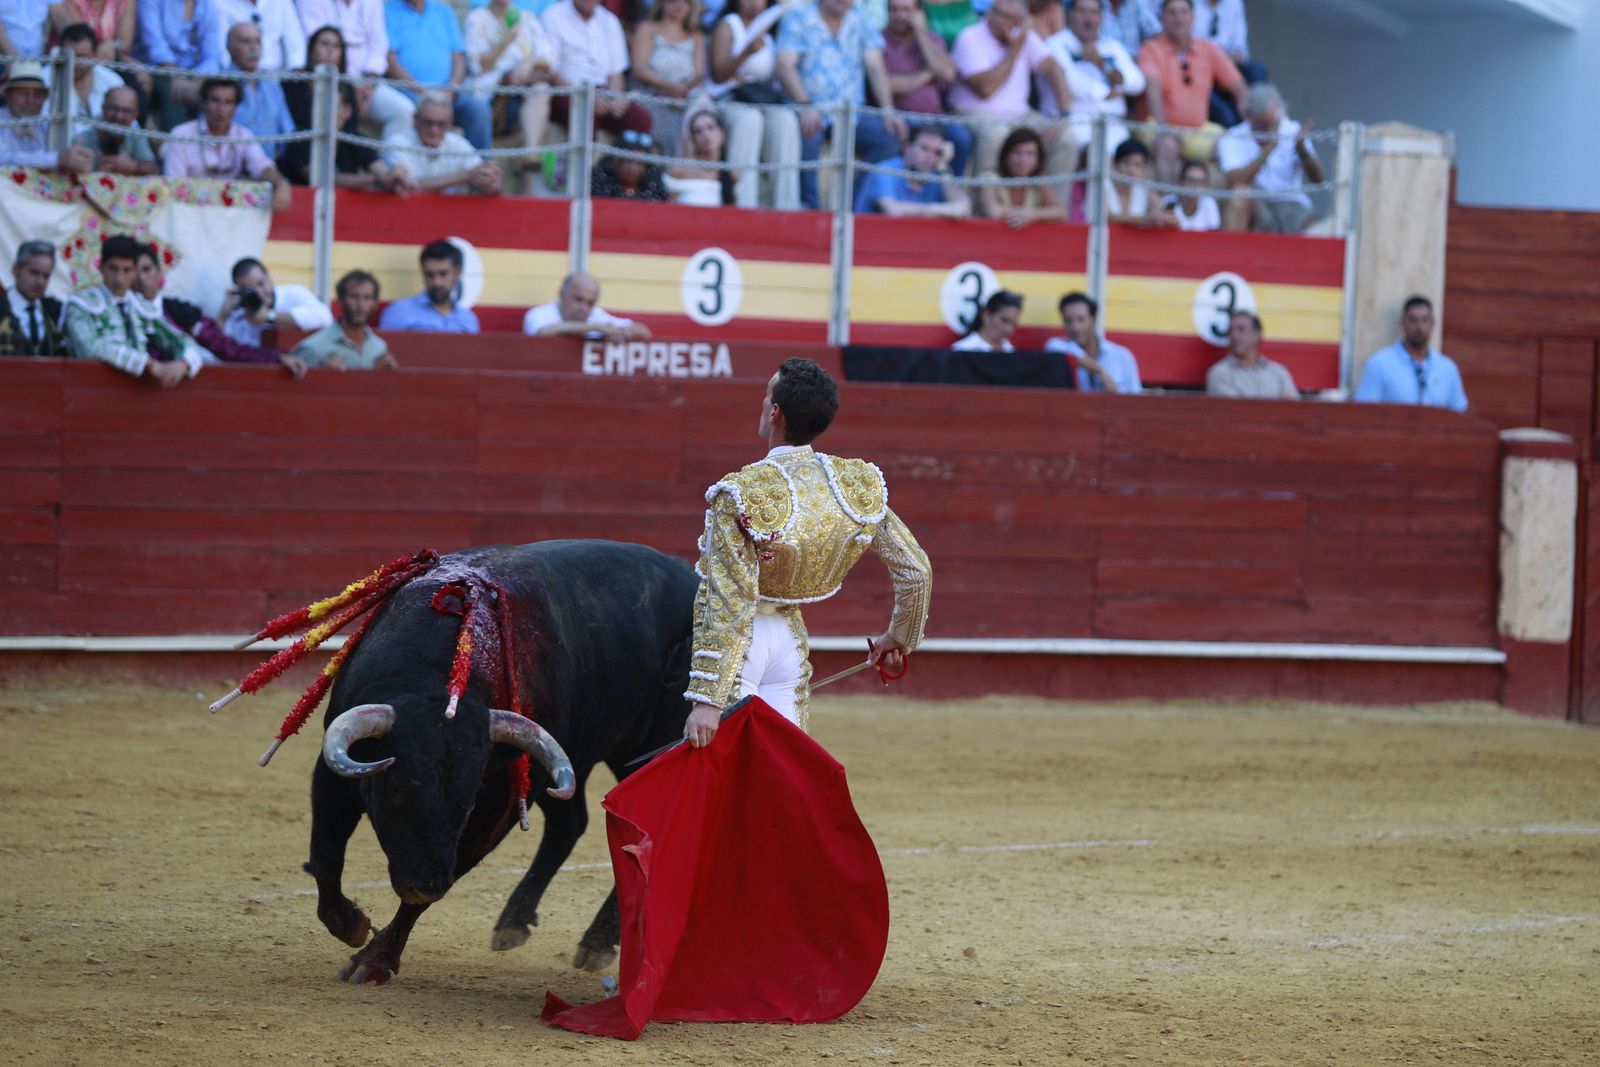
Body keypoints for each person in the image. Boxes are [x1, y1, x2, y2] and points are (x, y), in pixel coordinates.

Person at [682, 356, 931, 741]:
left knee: (731, 771)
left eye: (767, 394)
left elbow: (730, 599)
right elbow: (915, 570)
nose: (763, 401)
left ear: (775, 411)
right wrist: (900, 637)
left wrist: (707, 699)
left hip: (742, 652)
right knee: (783, 767)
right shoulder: (854, 484)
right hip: (790, 645)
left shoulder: (741, 491)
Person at [774, 0, 909, 211]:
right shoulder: (798, 16)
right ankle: (811, 210)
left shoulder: (861, 18)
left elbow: (875, 67)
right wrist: (805, 105)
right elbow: (785, 66)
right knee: (807, 132)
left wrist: (888, 110)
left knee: (890, 136)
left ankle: (856, 206)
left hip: (852, 114)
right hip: (811, 109)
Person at [133, 244, 308, 378]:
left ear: (159, 273)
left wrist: (276, 357)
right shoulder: (121, 312)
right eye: (133, 271)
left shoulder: (180, 312)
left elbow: (229, 350)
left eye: (147, 269)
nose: (141, 278)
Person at [946, 0, 1074, 181]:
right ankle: (984, 196)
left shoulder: (1024, 37)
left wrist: (1063, 114)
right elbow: (986, 89)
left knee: (1065, 137)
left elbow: (1054, 69)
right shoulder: (970, 37)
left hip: (1020, 116)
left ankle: (1052, 198)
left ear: (1020, 21)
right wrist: (1014, 50)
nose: (999, 20)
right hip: (972, 113)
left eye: (1007, 17)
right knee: (996, 133)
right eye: (996, 13)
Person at [63, 235, 202, 388]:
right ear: (101, 267)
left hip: (134, 396)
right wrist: (147, 364)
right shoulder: (81, 304)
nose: (119, 278)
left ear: (135, 271)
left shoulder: (141, 307)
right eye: (113, 268)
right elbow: (88, 347)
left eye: (127, 270)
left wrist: (184, 364)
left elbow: (179, 340)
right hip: (87, 392)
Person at [1136, 0, 1243, 183]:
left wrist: (1250, 126)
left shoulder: (1208, 48)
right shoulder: (1150, 49)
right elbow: (1153, 88)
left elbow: (1240, 87)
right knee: (1167, 144)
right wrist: (1163, 127)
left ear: (1193, 17)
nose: (1178, 18)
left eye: (1183, 12)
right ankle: (1168, 200)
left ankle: (1219, 201)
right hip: (1154, 124)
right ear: (1161, 19)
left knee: (1233, 145)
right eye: (1172, 12)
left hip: (1198, 129)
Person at [708, 0, 801, 210]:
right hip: (729, 99)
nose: (754, 3)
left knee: (786, 120)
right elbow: (718, 75)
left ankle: (786, 206)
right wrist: (747, 52)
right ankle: (742, 203)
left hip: (759, 99)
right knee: (749, 121)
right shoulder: (728, 25)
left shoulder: (770, 30)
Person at [163, 78, 294, 212]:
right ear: (203, 103)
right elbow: (174, 184)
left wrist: (280, 183)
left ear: (236, 107)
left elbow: (262, 165)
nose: (221, 109)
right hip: (188, 211)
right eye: (215, 101)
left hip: (232, 215)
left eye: (228, 102)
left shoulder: (243, 135)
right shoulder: (181, 135)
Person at [463, 0, 556, 181]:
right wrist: (506, 41)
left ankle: (531, 156)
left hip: (523, 94)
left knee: (541, 89)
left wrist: (529, 64)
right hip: (490, 97)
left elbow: (549, 57)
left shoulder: (527, 18)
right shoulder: (476, 19)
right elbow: (477, 66)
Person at [296, 0, 416, 141]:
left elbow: (379, 47)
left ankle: (389, 155)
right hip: (326, 80)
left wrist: (368, 83)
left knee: (405, 111)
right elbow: (318, 41)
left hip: (365, 81)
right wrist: (348, 90)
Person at [881, 0, 971, 178]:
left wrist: (921, 33)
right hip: (901, 117)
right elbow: (887, 84)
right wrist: (928, 73)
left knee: (961, 138)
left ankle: (950, 190)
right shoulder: (880, 39)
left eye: (906, 10)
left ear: (919, 13)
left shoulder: (932, 38)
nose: (900, 16)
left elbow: (947, 73)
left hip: (936, 118)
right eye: (894, 10)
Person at [541, 0, 654, 142]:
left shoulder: (610, 20)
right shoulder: (553, 15)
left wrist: (615, 99)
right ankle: (587, 157)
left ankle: (623, 156)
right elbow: (550, 69)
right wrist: (584, 96)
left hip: (603, 93)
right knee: (585, 112)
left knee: (640, 118)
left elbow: (616, 73)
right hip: (567, 92)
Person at [385, 0, 492, 149]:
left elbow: (458, 57)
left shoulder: (443, 12)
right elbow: (390, 60)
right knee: (416, 110)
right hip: (409, 91)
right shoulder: (388, 11)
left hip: (447, 92)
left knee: (478, 110)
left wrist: (452, 87)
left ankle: (481, 162)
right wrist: (422, 90)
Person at [1217, 83, 1322, 233]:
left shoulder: (1293, 130)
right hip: (1258, 206)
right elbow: (1235, 181)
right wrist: (1268, 150)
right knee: (1240, 195)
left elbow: (1318, 180)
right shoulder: (1233, 136)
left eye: (1272, 123)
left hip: (1292, 205)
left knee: (1317, 229)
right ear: (1248, 117)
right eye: (1262, 124)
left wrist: (1301, 149)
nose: (1268, 129)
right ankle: (1231, 249)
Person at [1045, 0, 1144, 156]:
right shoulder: (1055, 44)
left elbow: (1137, 83)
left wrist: (1102, 64)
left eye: (1093, 12)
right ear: (1070, 14)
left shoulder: (1112, 46)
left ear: (1101, 17)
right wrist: (1112, 91)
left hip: (1115, 124)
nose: (1088, 18)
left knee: (1132, 157)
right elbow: (1073, 85)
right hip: (1076, 123)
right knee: (1097, 154)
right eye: (1082, 12)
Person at [1354, 296, 1467, 412]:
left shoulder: (1447, 368)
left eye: (1425, 320)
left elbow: (1460, 413)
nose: (1419, 327)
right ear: (1403, 322)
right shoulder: (1379, 364)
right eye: (1413, 320)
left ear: (1432, 323)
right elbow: (1364, 412)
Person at [281, 81, 401, 188]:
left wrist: (395, 176)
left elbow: (379, 168)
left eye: (330, 107)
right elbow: (320, 178)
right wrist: (376, 178)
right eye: (320, 106)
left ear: (347, 111)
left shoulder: (354, 138)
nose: (323, 113)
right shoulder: (300, 137)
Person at [384, 90, 504, 195]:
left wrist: (490, 182)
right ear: (415, 119)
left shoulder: (457, 144)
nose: (434, 130)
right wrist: (465, 176)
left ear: (450, 122)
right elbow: (410, 186)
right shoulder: (398, 143)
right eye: (428, 122)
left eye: (441, 124)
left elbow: (482, 177)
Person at [629, 0, 704, 157]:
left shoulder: (696, 35)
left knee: (702, 115)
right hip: (652, 95)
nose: (679, 4)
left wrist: (683, 90)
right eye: (673, 0)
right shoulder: (648, 28)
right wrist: (670, 87)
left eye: (685, 1)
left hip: (686, 97)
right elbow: (639, 70)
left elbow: (699, 75)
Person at [137, 0, 224, 127]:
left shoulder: (208, 4)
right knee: (171, 90)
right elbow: (155, 46)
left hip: (196, 72)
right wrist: (176, 75)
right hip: (159, 69)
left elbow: (212, 55)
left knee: (223, 90)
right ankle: (173, 138)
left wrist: (198, 80)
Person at [853, 124, 969, 217]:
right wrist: (943, 209)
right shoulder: (884, 170)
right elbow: (893, 210)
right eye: (924, 148)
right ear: (907, 148)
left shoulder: (937, 174)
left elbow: (964, 209)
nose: (930, 156)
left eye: (937, 152)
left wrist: (943, 167)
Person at [0, 61, 95, 172]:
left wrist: (77, 159)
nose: (30, 100)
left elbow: (66, 155)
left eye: (37, 95)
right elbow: (4, 159)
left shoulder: (49, 124)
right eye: (23, 93)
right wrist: (57, 159)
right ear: (8, 96)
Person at [293, 269, 397, 369]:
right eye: (354, 297)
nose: (360, 305)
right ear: (341, 301)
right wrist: (322, 373)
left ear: (374, 303)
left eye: (367, 298)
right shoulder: (313, 347)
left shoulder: (379, 348)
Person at [221, 257, 334, 346]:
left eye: (261, 283)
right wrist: (222, 316)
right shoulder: (239, 315)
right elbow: (224, 349)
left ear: (268, 277)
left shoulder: (294, 293)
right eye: (251, 290)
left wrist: (269, 316)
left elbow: (325, 318)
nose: (260, 293)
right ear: (240, 291)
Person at [225, 21, 295, 160]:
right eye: (246, 41)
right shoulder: (220, 83)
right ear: (229, 47)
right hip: (231, 166)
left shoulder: (272, 85)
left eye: (257, 42)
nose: (253, 48)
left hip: (271, 166)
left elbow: (287, 131)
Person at [1045, 291, 1140, 393]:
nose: (1075, 327)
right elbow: (1069, 355)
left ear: (1094, 319)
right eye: (1068, 321)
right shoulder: (1056, 347)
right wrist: (1100, 371)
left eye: (1081, 319)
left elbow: (1135, 396)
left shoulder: (1122, 356)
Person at [378, 239, 481, 332]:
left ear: (457, 272)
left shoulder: (468, 320)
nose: (437, 282)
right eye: (430, 275)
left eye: (443, 274)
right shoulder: (399, 312)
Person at [522, 270, 650, 340]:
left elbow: (643, 331)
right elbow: (542, 333)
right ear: (561, 294)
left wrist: (622, 333)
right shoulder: (539, 314)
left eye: (590, 303)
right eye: (578, 299)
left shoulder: (596, 316)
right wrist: (597, 328)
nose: (583, 308)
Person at [979, 125, 1066, 227]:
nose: (1023, 160)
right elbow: (993, 211)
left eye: (1029, 154)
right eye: (1017, 152)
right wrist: (1025, 215)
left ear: (1038, 160)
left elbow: (1061, 212)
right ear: (1006, 156)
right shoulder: (990, 178)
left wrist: (1032, 215)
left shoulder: (1039, 181)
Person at [1204, 309, 1297, 399]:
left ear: (1256, 335)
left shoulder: (1279, 372)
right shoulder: (1219, 373)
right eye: (1231, 330)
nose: (1234, 335)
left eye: (1241, 329)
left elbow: (1292, 407)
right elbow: (1235, 408)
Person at [59, 22, 127, 138]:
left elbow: (129, 124)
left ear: (94, 55)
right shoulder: (45, 80)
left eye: (81, 57)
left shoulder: (112, 81)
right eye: (69, 57)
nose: (74, 63)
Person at [0, 241, 67, 358]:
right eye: (34, 273)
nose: (40, 282)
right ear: (16, 269)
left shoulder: (56, 312)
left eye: (46, 276)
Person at [72, 84, 157, 174]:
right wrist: (94, 169)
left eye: (126, 111)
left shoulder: (134, 132)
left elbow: (153, 169)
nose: (118, 116)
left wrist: (133, 166)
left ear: (135, 115)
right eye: (113, 108)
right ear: (103, 108)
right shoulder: (85, 133)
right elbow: (71, 172)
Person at [666, 107, 738, 206]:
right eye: (698, 131)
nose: (706, 135)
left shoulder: (732, 174)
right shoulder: (679, 171)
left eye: (710, 128)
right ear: (693, 139)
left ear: (722, 133)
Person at [213, 0, 305, 69]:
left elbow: (295, 40)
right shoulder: (218, 2)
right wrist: (227, 77)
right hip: (236, 75)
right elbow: (220, 46)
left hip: (276, 75)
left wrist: (296, 75)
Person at [591, 128, 670, 200]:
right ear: (615, 160)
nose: (633, 168)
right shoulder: (600, 180)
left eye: (639, 162)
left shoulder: (654, 185)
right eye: (627, 161)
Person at [47, 0, 134, 63]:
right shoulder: (64, 3)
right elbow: (80, 41)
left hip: (108, 60)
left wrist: (113, 44)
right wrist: (106, 47)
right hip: (70, 63)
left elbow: (125, 43)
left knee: (138, 74)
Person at [1105, 136, 1162, 224]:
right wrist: (1148, 218)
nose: (1131, 170)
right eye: (1126, 163)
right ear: (1115, 164)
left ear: (1145, 168)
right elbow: (1107, 216)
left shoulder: (1145, 189)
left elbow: (1160, 212)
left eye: (1138, 165)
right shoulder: (1104, 186)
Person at [1159, 157, 1218, 229]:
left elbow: (1213, 234)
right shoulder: (1167, 203)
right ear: (1180, 182)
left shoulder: (1209, 204)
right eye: (1190, 180)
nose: (1195, 186)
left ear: (1206, 186)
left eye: (1199, 182)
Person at [952, 288, 1021, 350]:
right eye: (1004, 320)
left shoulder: (1011, 351)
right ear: (986, 315)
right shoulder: (963, 349)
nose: (1009, 329)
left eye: (1013, 323)